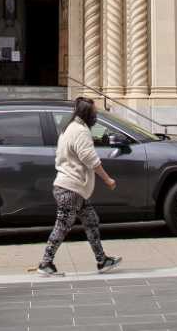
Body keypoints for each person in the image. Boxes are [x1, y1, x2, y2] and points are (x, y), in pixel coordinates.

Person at [38, 97, 122, 277]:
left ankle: (102, 260)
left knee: (91, 221)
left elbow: (92, 141)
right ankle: (45, 262)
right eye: (95, 113)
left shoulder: (69, 128)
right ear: (87, 114)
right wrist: (107, 179)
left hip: (72, 188)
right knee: (62, 226)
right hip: (71, 188)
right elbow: (91, 159)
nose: (96, 116)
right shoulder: (79, 131)